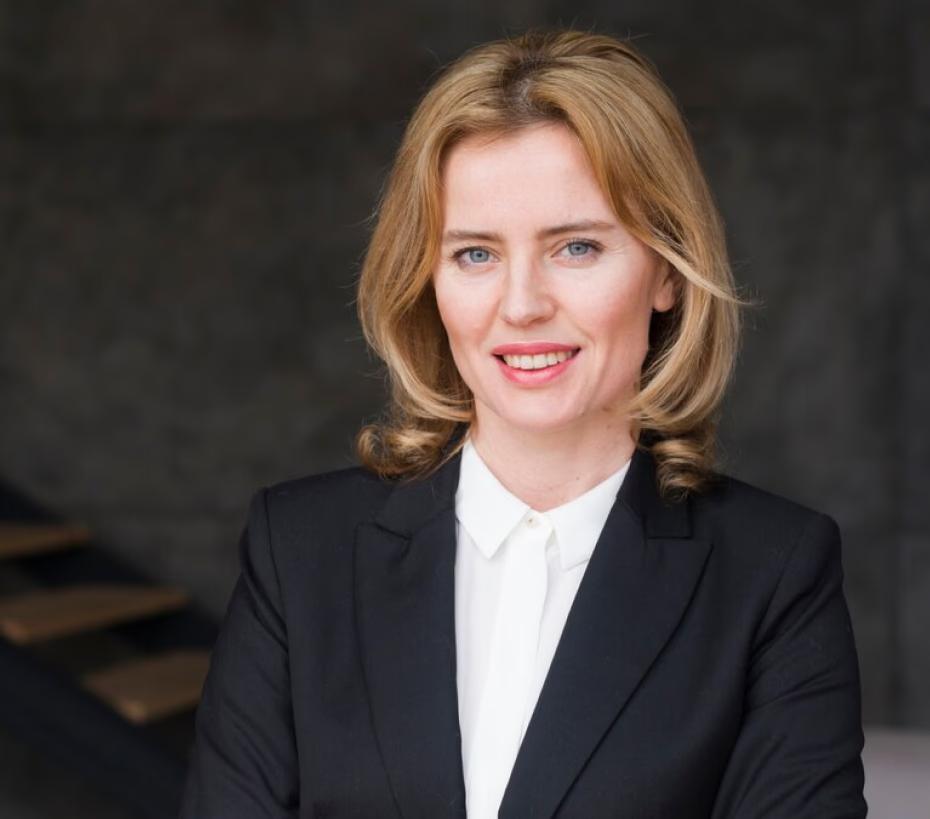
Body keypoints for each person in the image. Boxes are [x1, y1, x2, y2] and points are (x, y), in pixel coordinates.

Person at [179, 28, 866, 818]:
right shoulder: (298, 551)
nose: (522, 304)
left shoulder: (774, 573)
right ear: (427, 279)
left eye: (575, 246)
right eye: (476, 254)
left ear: (667, 273)